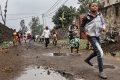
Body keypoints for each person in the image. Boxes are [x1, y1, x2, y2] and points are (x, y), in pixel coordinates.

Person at [81, 2, 107, 79]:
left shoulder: (100, 15)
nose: (95, 7)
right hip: (91, 36)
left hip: (97, 35)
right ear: (90, 8)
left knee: (96, 51)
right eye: (93, 6)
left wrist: (103, 27)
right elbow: (82, 27)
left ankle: (87, 59)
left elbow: (103, 23)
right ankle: (101, 71)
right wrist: (85, 33)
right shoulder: (86, 17)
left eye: (96, 6)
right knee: (100, 52)